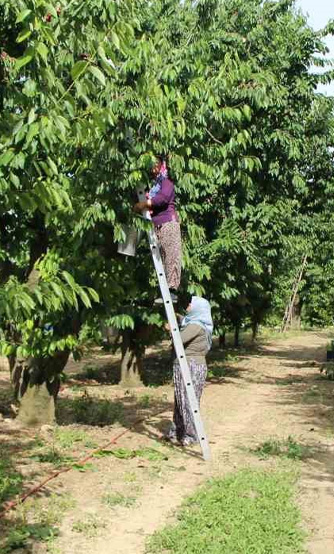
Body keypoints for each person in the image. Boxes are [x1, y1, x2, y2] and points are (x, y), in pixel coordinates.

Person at [133, 154, 182, 305]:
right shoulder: (153, 186)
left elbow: (162, 199)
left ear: (162, 165)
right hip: (155, 226)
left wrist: (145, 204)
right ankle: (164, 290)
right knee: (161, 257)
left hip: (168, 223)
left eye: (156, 163)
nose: (153, 166)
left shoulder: (166, 183)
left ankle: (172, 290)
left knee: (171, 256)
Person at [165, 296, 212, 447]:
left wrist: (170, 329)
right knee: (181, 400)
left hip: (191, 365)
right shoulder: (192, 322)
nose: (188, 305)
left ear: (199, 308)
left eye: (192, 304)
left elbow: (179, 339)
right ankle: (177, 432)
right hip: (185, 364)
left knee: (188, 400)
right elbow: (183, 321)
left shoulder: (196, 326)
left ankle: (191, 435)